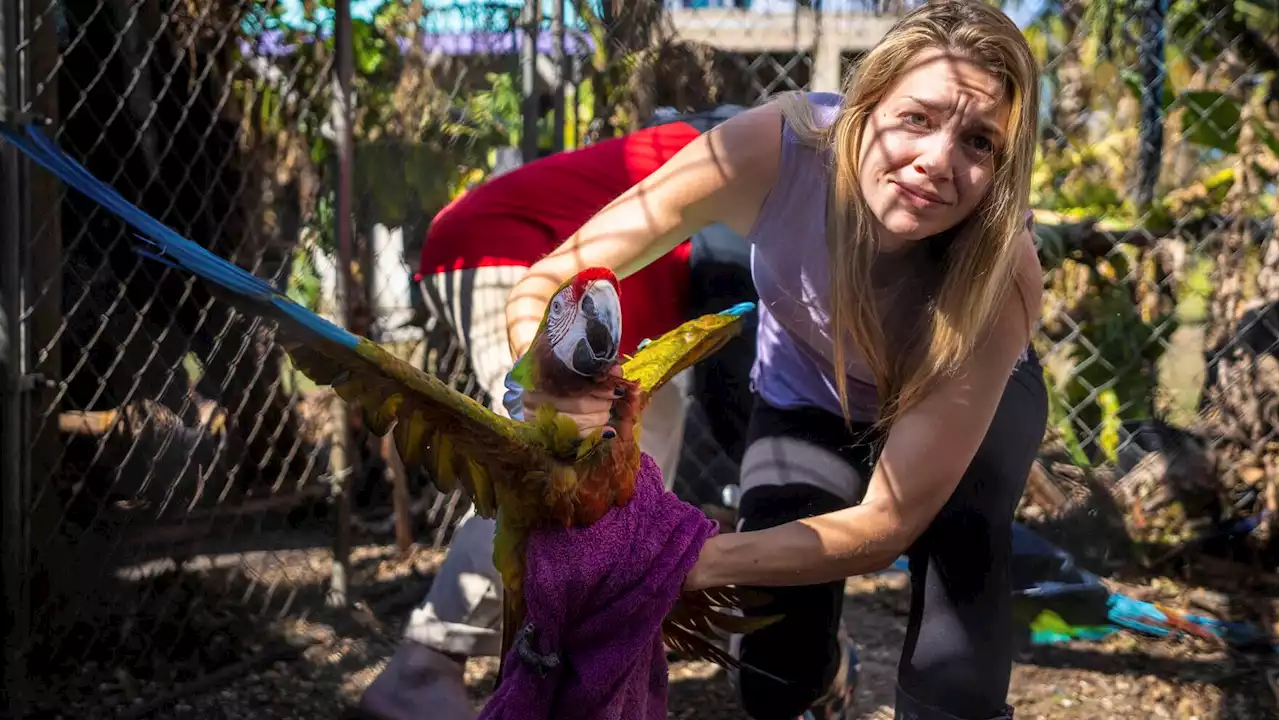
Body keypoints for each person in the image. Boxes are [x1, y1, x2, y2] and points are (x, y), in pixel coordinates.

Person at [500, 3, 1048, 720]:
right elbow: (552, 278)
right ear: (863, 105)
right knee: (775, 676)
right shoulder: (773, 149)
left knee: (956, 664)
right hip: (810, 391)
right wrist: (549, 378)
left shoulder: (1003, 272)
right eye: (916, 118)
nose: (937, 162)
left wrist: (679, 561)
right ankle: (826, 679)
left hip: (968, 412)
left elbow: (887, 521)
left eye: (978, 142)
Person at [357, 109, 769, 720]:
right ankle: (424, 666)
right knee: (550, 474)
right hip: (514, 258)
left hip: (563, 290)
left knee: (628, 463)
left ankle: (598, 634)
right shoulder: (754, 160)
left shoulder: (724, 145)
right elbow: (736, 371)